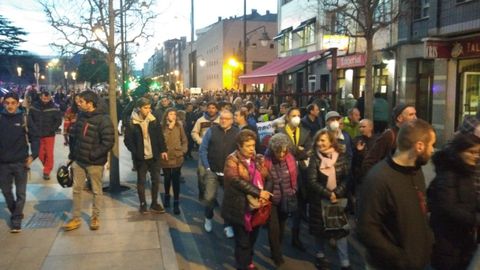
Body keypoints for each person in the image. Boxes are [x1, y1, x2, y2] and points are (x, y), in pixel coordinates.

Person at [357, 119, 435, 269]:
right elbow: (366, 230)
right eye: (431, 144)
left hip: (418, 261)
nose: (432, 150)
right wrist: (400, 258)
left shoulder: (416, 171)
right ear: (419, 146)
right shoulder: (378, 178)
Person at [427, 125, 480, 270]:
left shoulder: (466, 171)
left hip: (462, 240)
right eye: (472, 152)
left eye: (478, 152)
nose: (476, 156)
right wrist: (474, 219)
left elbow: (470, 199)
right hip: (447, 241)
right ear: (459, 152)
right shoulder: (448, 174)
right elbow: (448, 207)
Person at [63, 90, 114, 231]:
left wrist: (94, 155)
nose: (78, 104)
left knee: (96, 191)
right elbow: (76, 138)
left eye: (81, 102)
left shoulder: (104, 119)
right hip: (79, 161)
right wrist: (73, 155)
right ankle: (76, 218)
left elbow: (108, 141)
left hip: (94, 163)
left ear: (90, 103)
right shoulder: (81, 116)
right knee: (76, 189)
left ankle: (95, 217)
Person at [221, 129, 271, 270]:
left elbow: (268, 177)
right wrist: (259, 192)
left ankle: (248, 262)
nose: (251, 149)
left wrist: (265, 192)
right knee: (243, 242)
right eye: (248, 146)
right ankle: (242, 265)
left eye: (253, 145)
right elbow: (235, 180)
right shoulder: (232, 160)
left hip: (256, 207)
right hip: (240, 207)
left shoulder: (258, 159)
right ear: (239, 146)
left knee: (252, 239)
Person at [307, 130, 351, 270]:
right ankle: (320, 257)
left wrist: (336, 193)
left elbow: (347, 177)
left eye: (323, 140)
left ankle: (345, 263)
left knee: (340, 232)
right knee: (319, 231)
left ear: (331, 141)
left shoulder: (342, 157)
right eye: (318, 140)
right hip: (319, 201)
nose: (320, 143)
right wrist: (328, 194)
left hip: (337, 201)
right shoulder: (314, 158)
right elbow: (312, 181)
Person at [0, 92, 39, 233]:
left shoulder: (24, 119)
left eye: (13, 103)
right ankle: (16, 211)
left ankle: (16, 220)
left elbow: (35, 137)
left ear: (17, 103)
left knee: (21, 193)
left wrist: (33, 155)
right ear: (4, 103)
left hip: (20, 162)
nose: (10, 106)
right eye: (7, 103)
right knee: (6, 191)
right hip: (3, 163)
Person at [124, 97, 168, 214]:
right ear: (139, 108)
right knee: (141, 181)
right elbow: (127, 140)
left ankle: (154, 203)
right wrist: (136, 151)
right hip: (141, 157)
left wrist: (163, 150)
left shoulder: (153, 120)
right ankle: (143, 204)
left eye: (149, 107)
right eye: (145, 108)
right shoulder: (132, 122)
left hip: (154, 156)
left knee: (155, 180)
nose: (148, 110)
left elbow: (160, 136)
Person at [200, 110, 239, 238]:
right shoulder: (212, 131)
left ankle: (228, 225)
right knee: (209, 197)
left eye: (227, 119)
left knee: (228, 201)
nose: (223, 120)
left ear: (232, 120)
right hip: (213, 171)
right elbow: (203, 149)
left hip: (229, 173)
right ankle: (208, 218)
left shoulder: (237, 133)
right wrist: (207, 167)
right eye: (222, 118)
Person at [278, 107, 312, 251]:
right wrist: (299, 150)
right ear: (287, 117)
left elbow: (309, 150)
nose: (297, 118)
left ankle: (295, 237)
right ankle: (278, 237)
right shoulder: (280, 133)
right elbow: (283, 151)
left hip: (301, 177)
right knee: (283, 209)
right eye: (293, 115)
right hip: (284, 176)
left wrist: (296, 152)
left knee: (298, 208)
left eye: (298, 115)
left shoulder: (305, 132)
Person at [264, 133, 298, 267]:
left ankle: (276, 249)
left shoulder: (290, 158)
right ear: (273, 150)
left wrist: (293, 190)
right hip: (271, 200)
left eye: (285, 151)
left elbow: (295, 177)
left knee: (282, 226)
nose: (283, 154)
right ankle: (277, 254)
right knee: (273, 228)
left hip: (286, 198)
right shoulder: (265, 160)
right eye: (279, 151)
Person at [361, 103, 417, 177]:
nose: (415, 118)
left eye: (415, 114)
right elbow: (369, 162)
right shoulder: (389, 135)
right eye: (411, 115)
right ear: (399, 118)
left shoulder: (413, 135)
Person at [160, 107, 188, 215]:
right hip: (166, 156)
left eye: (175, 114)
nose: (173, 116)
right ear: (167, 115)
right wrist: (169, 129)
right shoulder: (162, 126)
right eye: (171, 114)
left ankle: (176, 201)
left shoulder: (179, 125)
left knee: (176, 179)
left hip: (177, 156)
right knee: (167, 178)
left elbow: (184, 140)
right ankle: (167, 196)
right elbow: (162, 140)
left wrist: (183, 151)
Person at [29, 91, 62, 180]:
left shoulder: (54, 108)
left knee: (49, 153)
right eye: (44, 98)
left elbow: (58, 121)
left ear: (50, 97)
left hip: (49, 135)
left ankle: (47, 171)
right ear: (40, 97)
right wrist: (33, 129)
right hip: (37, 134)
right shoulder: (34, 106)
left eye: (47, 98)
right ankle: (47, 165)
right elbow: (30, 119)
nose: (46, 100)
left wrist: (52, 129)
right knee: (39, 153)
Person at [191, 101, 220, 201]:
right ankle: (202, 191)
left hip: (216, 152)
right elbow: (194, 132)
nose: (211, 110)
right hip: (204, 151)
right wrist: (201, 141)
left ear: (217, 109)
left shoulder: (221, 120)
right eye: (209, 107)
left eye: (213, 108)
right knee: (202, 173)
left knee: (215, 175)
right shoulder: (201, 120)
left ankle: (212, 197)